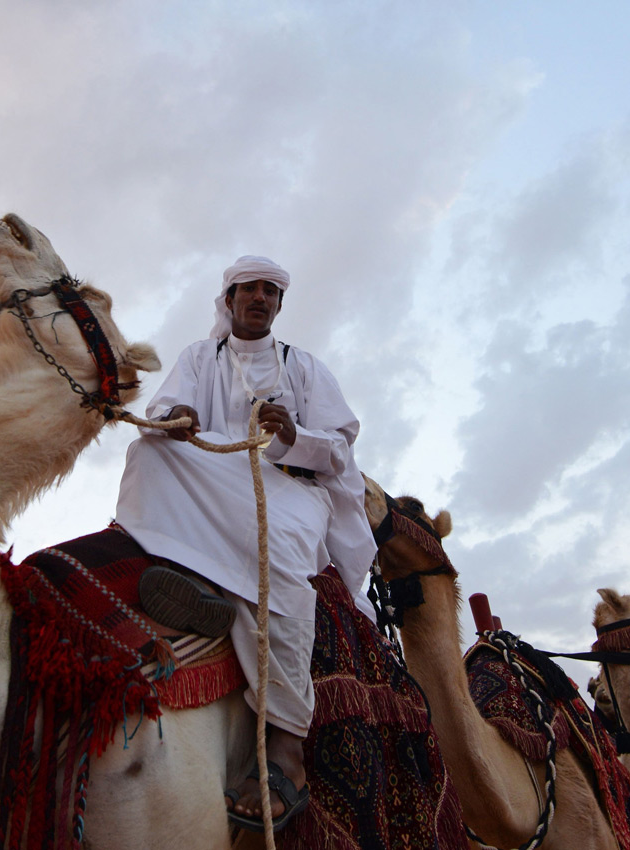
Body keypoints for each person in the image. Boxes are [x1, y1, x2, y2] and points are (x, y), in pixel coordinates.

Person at [114, 255, 376, 832]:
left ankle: (286, 746)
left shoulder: (302, 366)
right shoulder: (197, 357)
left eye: (269, 291)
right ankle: (192, 583)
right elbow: (162, 410)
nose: (258, 298)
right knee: (149, 452)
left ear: (279, 305)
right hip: (211, 474)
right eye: (247, 289)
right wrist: (177, 416)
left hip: (284, 490)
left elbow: (338, 450)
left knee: (277, 548)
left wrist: (293, 435)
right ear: (228, 301)